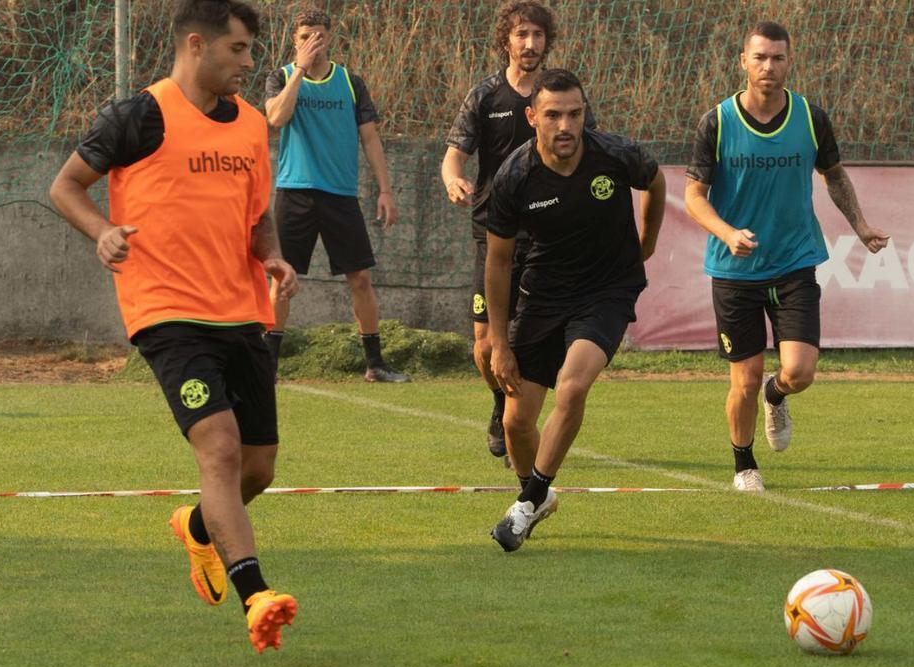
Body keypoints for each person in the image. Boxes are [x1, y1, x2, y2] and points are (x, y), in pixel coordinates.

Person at [48, 0, 298, 653]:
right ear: (197, 45)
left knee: (258, 465)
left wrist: (270, 253)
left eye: (250, 50)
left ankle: (197, 524)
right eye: (239, 50)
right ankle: (256, 594)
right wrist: (102, 231)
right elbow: (67, 186)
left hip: (242, 310)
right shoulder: (139, 115)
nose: (250, 63)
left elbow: (256, 214)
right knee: (217, 445)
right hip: (165, 310)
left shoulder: (249, 126)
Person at [683, 21, 890, 492]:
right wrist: (727, 232)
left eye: (777, 58)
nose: (768, 67)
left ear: (789, 62)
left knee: (799, 371)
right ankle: (744, 465)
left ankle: (778, 396)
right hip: (734, 271)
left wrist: (859, 227)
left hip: (795, 263)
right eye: (759, 58)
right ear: (743, 62)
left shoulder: (810, 118)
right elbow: (694, 195)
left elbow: (834, 175)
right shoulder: (717, 122)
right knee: (745, 378)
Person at [484, 69, 665, 552]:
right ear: (532, 118)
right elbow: (498, 261)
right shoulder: (514, 176)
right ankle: (535, 494)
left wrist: (645, 243)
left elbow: (656, 179)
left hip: (607, 289)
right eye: (553, 115)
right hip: (542, 296)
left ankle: (527, 503)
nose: (565, 125)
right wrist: (499, 343)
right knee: (516, 423)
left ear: (585, 113)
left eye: (574, 114)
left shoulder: (615, 155)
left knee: (573, 384)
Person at [442, 1, 596, 463]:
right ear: (506, 40)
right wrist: (453, 177)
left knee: (534, 339)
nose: (530, 44)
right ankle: (499, 404)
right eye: (521, 35)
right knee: (486, 345)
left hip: (548, 238)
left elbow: (593, 153)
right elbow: (455, 152)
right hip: (493, 235)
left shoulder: (560, 96)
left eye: (537, 36)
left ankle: (519, 421)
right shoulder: (485, 95)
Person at [263, 7, 408, 383]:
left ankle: (375, 363)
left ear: (330, 37)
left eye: (319, 36)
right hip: (295, 192)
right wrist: (298, 69)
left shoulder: (350, 82)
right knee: (281, 277)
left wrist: (385, 190)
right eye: (305, 37)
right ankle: (267, 365)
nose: (313, 43)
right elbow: (276, 119)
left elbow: (371, 138)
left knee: (360, 278)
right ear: (295, 42)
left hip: (340, 194)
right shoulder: (280, 77)